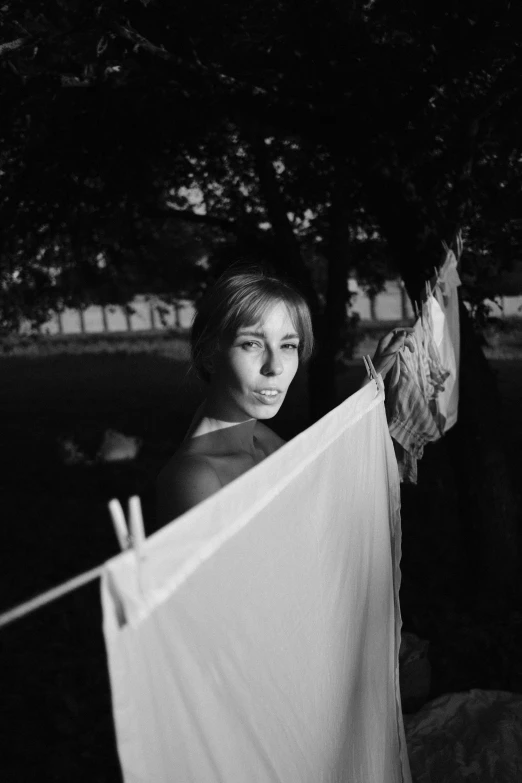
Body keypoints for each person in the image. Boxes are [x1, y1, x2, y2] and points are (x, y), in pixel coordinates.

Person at [156, 267, 412, 525]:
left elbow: (329, 486)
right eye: (251, 343)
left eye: (288, 346)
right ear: (210, 355)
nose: (275, 367)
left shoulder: (262, 440)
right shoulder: (194, 478)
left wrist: (371, 384)